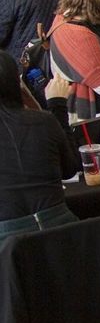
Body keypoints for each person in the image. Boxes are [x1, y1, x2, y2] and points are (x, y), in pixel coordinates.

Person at [0, 57, 79, 243]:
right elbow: (70, 169)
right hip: (65, 234)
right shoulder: (43, 121)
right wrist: (57, 105)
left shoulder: (42, 121)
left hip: (9, 249)